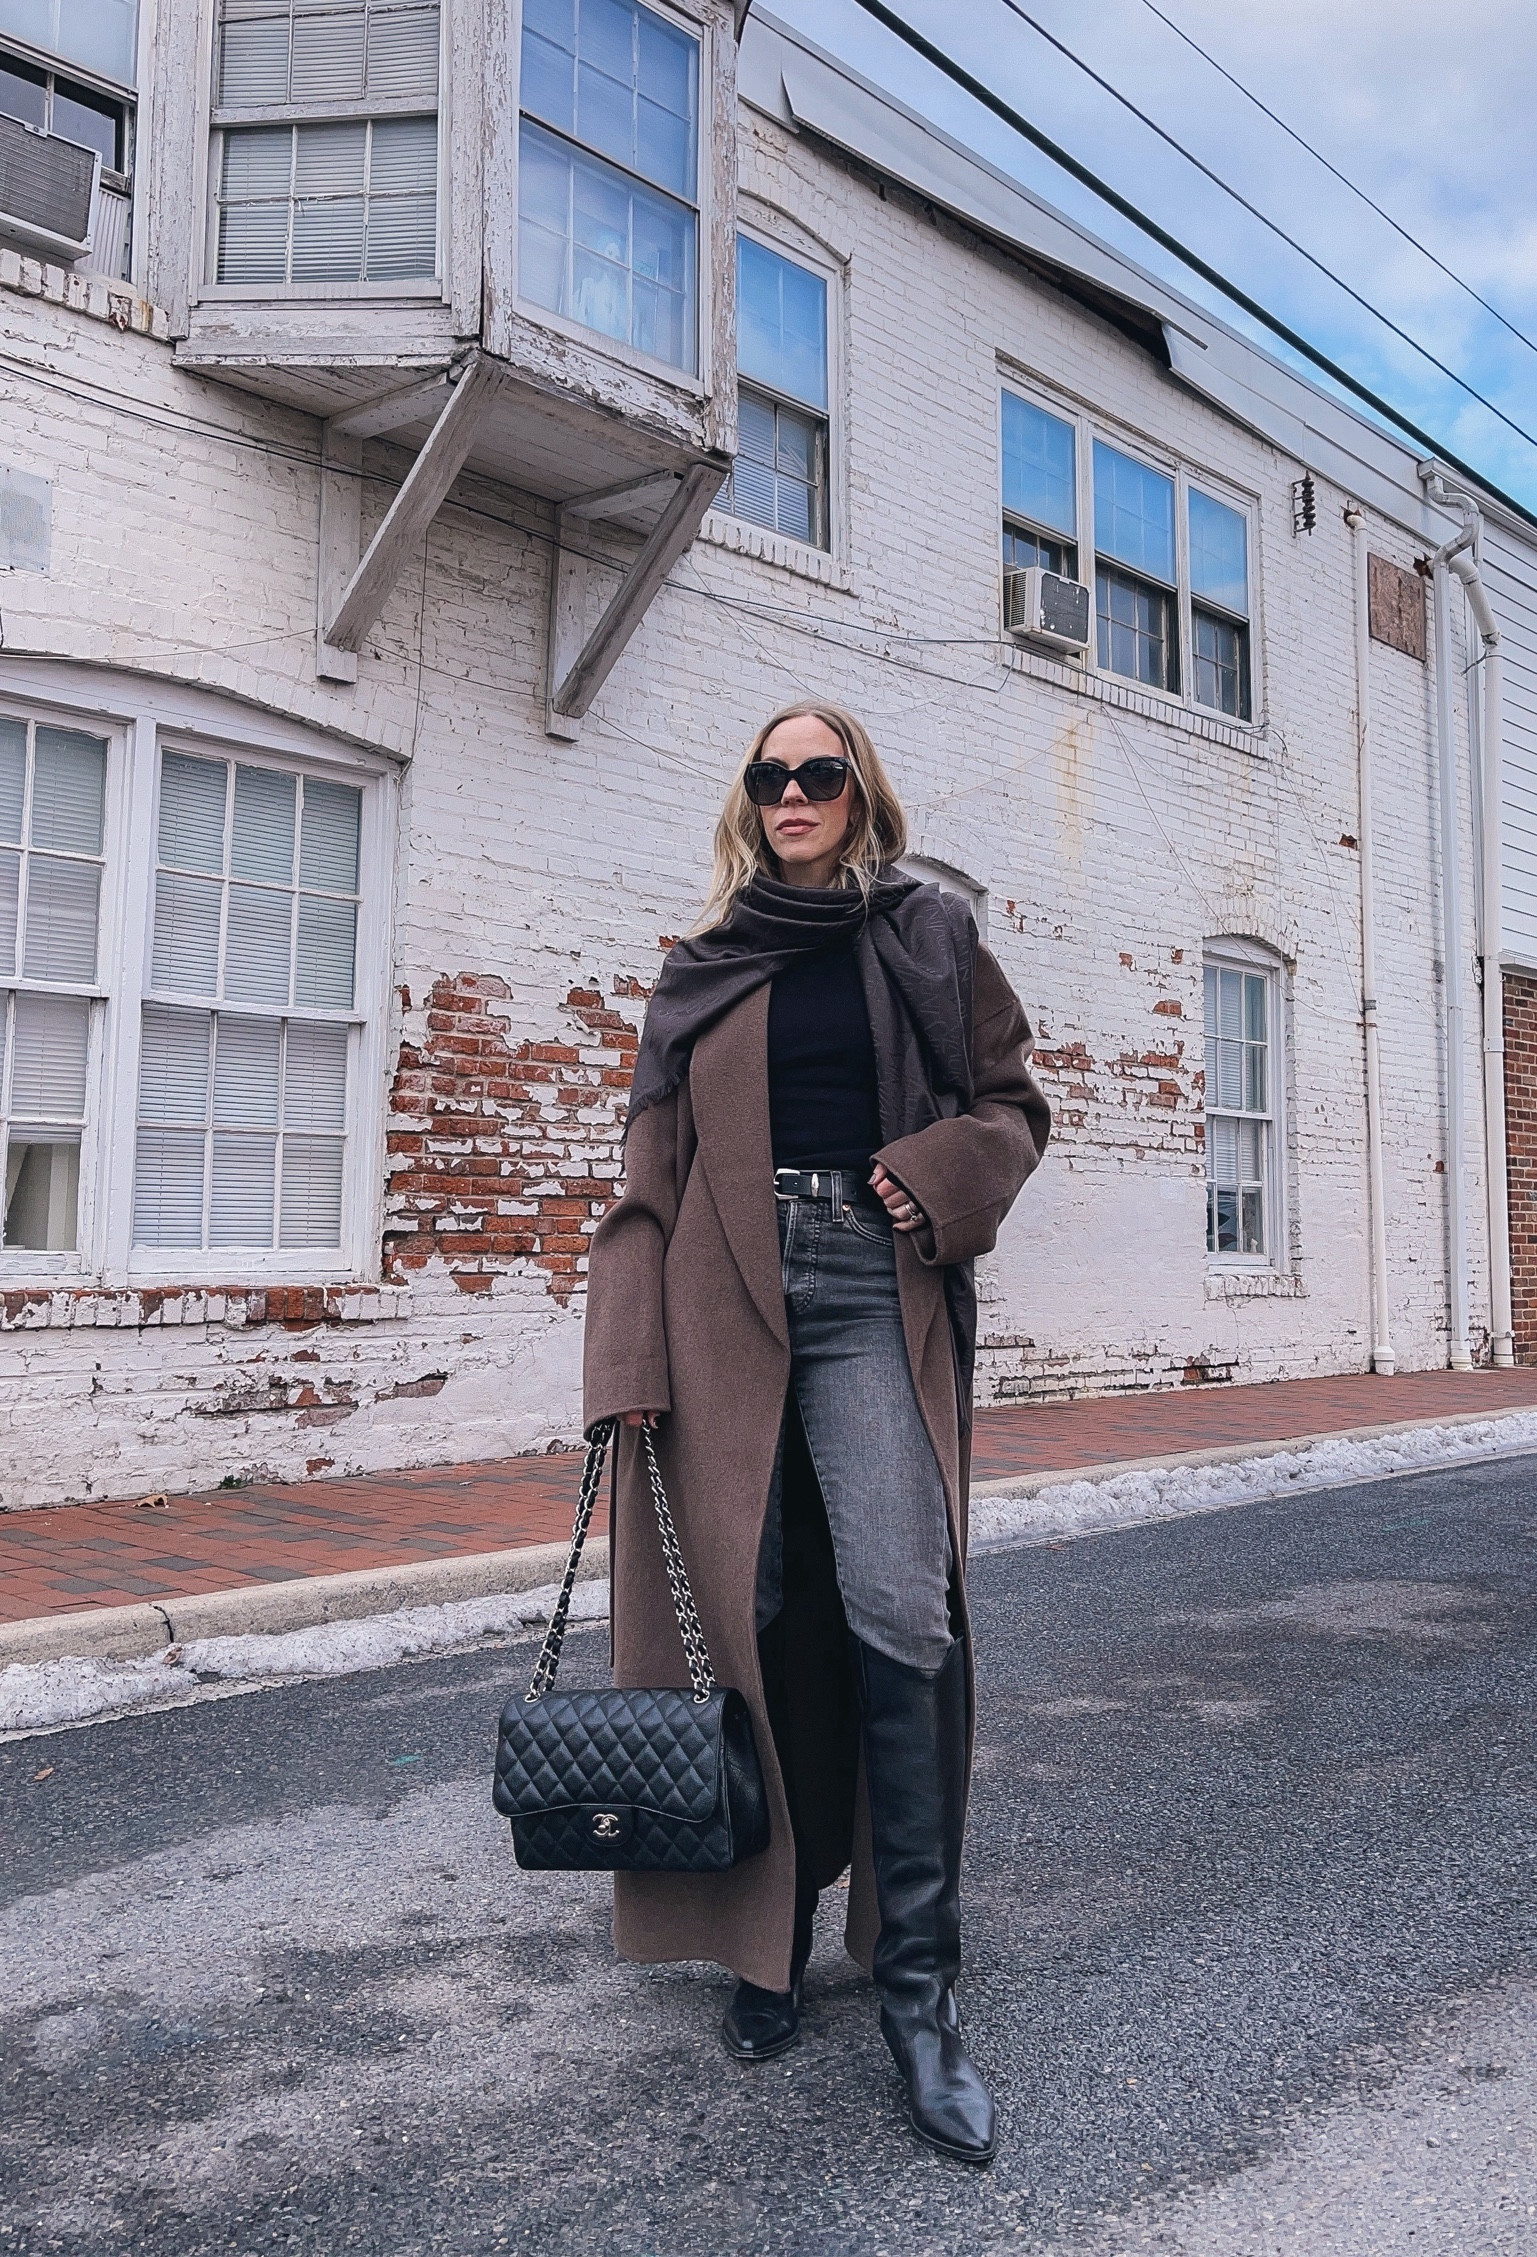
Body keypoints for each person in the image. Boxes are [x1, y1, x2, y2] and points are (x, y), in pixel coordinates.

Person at [582, 700, 1050, 2165]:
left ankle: (916, 1984)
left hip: (868, 1280)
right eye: (768, 774)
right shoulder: (701, 969)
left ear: (858, 792)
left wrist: (925, 1175)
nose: (791, 791)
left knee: (898, 1610)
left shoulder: (925, 935)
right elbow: (647, 1175)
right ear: (751, 798)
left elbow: (1013, 1105)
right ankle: (766, 1936)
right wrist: (624, 1359)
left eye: (818, 771)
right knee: (752, 1605)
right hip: (719, 1300)